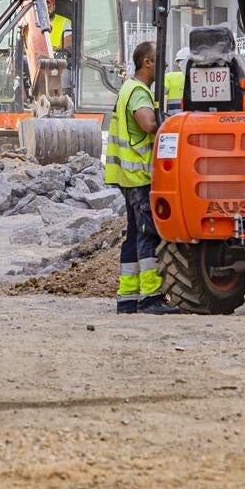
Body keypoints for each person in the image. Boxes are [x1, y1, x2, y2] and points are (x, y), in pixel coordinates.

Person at [105, 41, 178, 315]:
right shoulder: (138, 92)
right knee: (148, 234)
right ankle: (150, 297)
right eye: (161, 61)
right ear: (147, 62)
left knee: (134, 235)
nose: (166, 66)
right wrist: (171, 121)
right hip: (139, 175)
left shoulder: (127, 88)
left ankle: (127, 298)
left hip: (128, 176)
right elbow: (147, 123)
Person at [163, 47, 188, 114]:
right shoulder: (198, 78)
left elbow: (161, 92)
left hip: (174, 117)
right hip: (194, 116)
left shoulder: (169, 77)